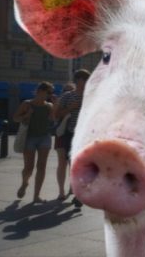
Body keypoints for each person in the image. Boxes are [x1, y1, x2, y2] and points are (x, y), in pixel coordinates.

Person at [54, 69, 90, 208]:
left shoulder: (91, 95)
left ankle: (78, 194)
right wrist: (70, 108)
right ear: (78, 81)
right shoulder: (67, 96)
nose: (86, 82)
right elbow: (56, 115)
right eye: (84, 79)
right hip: (69, 134)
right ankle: (72, 193)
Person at [14, 81, 55, 203]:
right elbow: (15, 118)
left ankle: (36, 196)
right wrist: (27, 114)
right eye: (48, 92)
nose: (48, 95)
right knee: (28, 168)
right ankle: (24, 183)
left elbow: (52, 121)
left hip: (44, 137)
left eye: (50, 93)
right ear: (39, 91)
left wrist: (55, 105)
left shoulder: (49, 106)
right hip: (29, 138)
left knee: (41, 167)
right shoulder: (27, 104)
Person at [52, 82, 75, 201]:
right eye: (66, 90)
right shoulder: (60, 103)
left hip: (74, 135)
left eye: (71, 90)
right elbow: (54, 117)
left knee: (73, 163)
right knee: (62, 162)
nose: (68, 93)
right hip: (61, 134)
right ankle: (61, 191)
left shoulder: (80, 101)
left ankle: (72, 187)